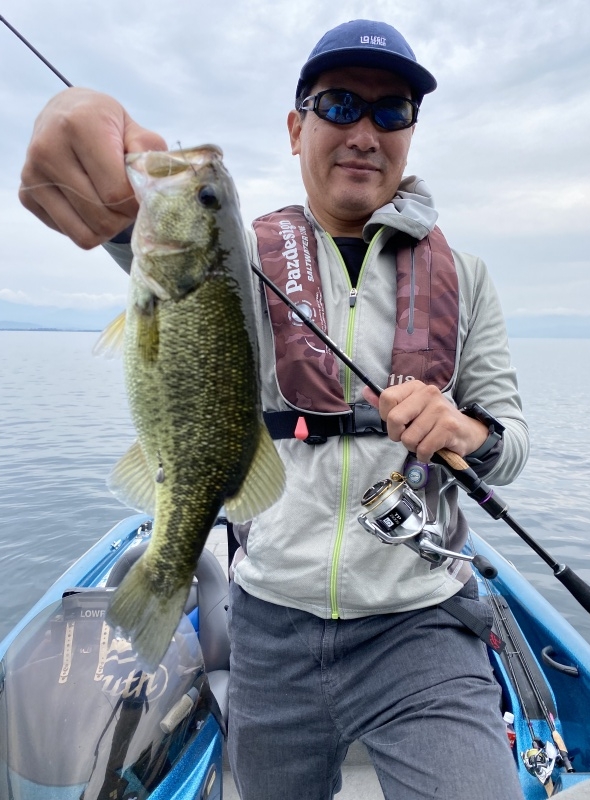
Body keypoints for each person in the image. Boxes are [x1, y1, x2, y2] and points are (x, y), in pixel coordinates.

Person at [19, 18, 529, 800]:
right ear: (296, 129)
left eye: (391, 111)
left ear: (410, 133)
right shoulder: (240, 255)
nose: (364, 131)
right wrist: (77, 121)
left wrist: (466, 430)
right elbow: (135, 234)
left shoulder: (465, 275)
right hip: (269, 625)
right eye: (339, 104)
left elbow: (512, 443)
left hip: (421, 624)